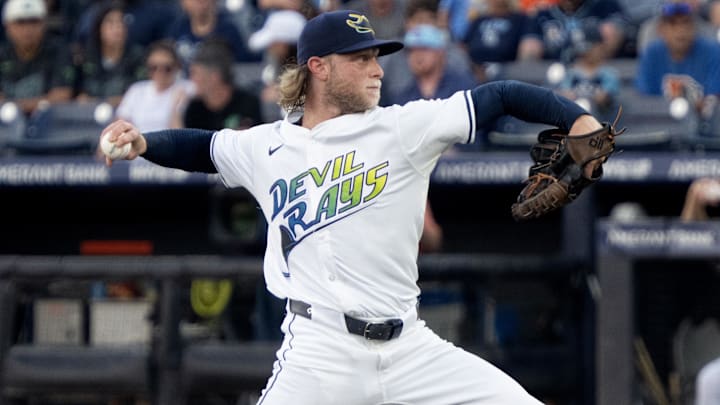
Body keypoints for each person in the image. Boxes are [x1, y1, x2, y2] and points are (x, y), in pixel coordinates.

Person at [100, 9, 605, 404]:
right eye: (360, 58)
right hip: (320, 352)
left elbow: (501, 95)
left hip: (410, 348)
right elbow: (203, 148)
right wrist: (145, 141)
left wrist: (577, 119)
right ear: (318, 68)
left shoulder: (401, 127)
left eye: (376, 57)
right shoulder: (267, 146)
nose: (377, 69)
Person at [635, 1, 720, 105]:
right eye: (673, 24)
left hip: (702, 120)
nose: (680, 30)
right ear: (661, 29)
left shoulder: (712, 52)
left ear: (694, 27)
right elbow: (645, 99)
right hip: (658, 119)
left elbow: (714, 100)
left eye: (686, 22)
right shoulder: (651, 54)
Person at [0, 0, 75, 115]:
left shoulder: (59, 52)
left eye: (34, 21)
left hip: (50, 126)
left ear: (44, 23)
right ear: (7, 26)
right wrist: (40, 103)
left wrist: (14, 106)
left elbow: (62, 95)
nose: (27, 28)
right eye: (20, 22)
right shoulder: (2, 55)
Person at [75, 1, 146, 108]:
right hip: (88, 119)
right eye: (110, 22)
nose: (117, 27)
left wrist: (101, 102)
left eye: (121, 22)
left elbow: (140, 96)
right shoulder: (86, 58)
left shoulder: (138, 57)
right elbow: (79, 96)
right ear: (99, 28)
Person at [383, 24, 476, 105]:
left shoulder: (463, 86)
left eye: (424, 49)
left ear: (440, 52)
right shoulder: (403, 95)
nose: (417, 55)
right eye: (411, 51)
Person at [182, 38, 262, 130]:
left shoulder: (248, 104)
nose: (192, 79)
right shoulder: (194, 109)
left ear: (214, 77)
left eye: (195, 73)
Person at [115, 40, 195, 132]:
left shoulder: (188, 88)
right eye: (154, 67)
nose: (160, 72)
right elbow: (121, 123)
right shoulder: (137, 90)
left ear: (177, 66)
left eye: (167, 68)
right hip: (140, 142)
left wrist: (176, 109)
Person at [520, 0, 628, 61]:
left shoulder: (605, 5)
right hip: (554, 72)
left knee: (610, 30)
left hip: (596, 72)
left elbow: (617, 31)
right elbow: (530, 47)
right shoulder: (543, 13)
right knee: (529, 47)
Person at [555, 23, 621, 118]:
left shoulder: (608, 73)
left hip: (602, 120)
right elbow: (565, 93)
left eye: (590, 48)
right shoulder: (571, 73)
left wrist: (593, 97)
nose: (586, 53)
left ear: (600, 46)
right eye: (582, 49)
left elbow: (605, 97)